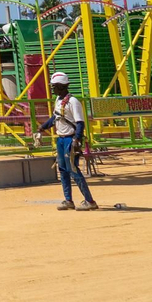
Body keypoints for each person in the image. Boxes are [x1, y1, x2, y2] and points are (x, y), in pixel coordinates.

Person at [41, 71, 98, 210]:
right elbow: (55, 118)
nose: (53, 89)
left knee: (73, 169)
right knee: (63, 170)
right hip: (61, 139)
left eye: (54, 86)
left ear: (61, 86)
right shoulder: (58, 101)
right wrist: (42, 128)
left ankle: (90, 201)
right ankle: (68, 200)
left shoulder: (73, 102)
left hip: (70, 139)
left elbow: (80, 123)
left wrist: (77, 139)